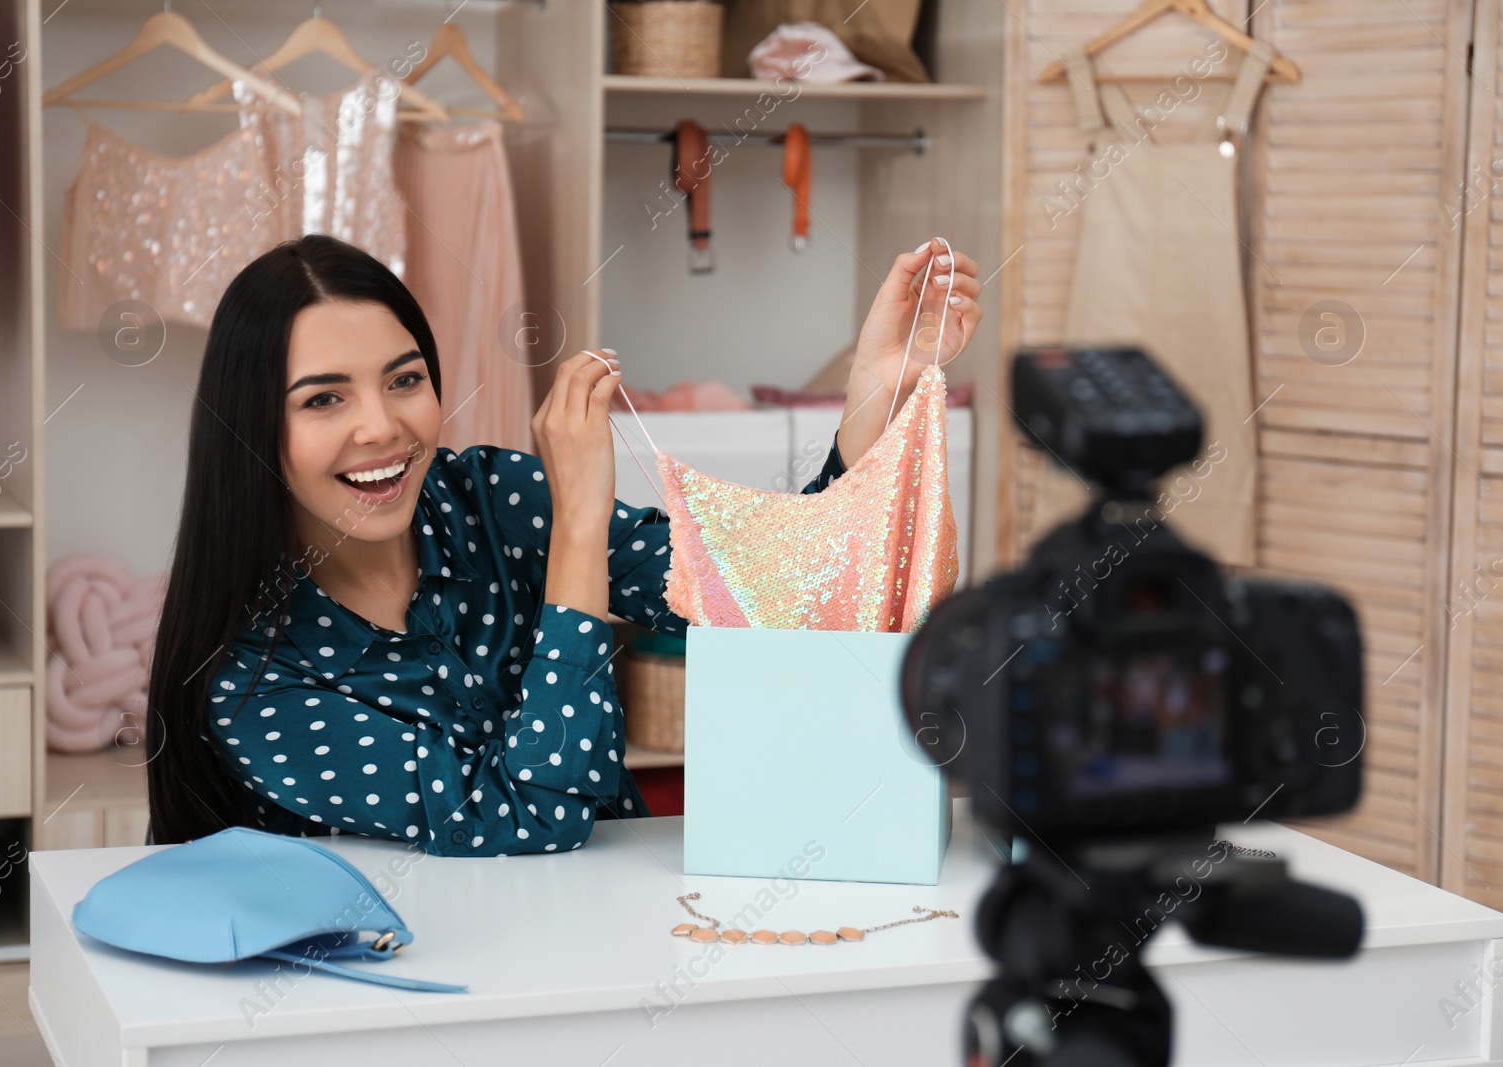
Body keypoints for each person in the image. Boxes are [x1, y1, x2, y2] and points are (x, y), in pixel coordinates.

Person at [145, 234, 983, 855]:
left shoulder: (486, 496)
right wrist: (580, 528)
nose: (382, 427)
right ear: (251, 428)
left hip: (612, 952)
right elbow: (526, 816)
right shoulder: (251, 678)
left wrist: (876, 388)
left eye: (405, 380)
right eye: (324, 400)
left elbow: (774, 590)